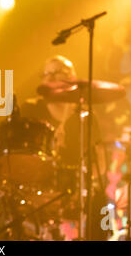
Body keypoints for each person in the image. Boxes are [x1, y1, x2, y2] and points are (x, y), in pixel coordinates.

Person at [21, 55, 107, 240]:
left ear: (72, 78)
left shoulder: (85, 116)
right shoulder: (29, 110)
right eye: (47, 73)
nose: (51, 77)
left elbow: (100, 161)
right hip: (35, 198)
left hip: (74, 200)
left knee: (101, 209)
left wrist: (82, 191)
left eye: (57, 72)